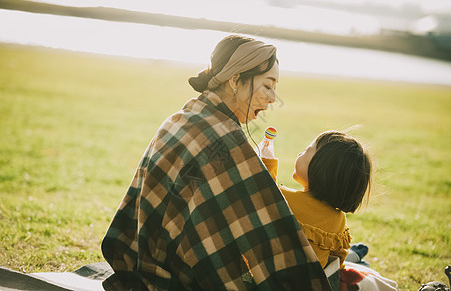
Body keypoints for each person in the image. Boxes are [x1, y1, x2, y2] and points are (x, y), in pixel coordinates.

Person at [101, 35, 331, 290]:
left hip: (138, 258)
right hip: (174, 273)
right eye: (267, 86)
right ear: (235, 80)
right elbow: (266, 228)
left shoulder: (181, 117)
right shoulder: (224, 138)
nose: (273, 98)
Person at [261, 130, 372, 269]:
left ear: (321, 169)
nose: (299, 154)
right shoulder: (338, 220)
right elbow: (337, 263)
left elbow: (260, 188)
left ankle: (354, 258)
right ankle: (354, 257)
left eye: (307, 151)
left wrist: (266, 163)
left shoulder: (283, 198)